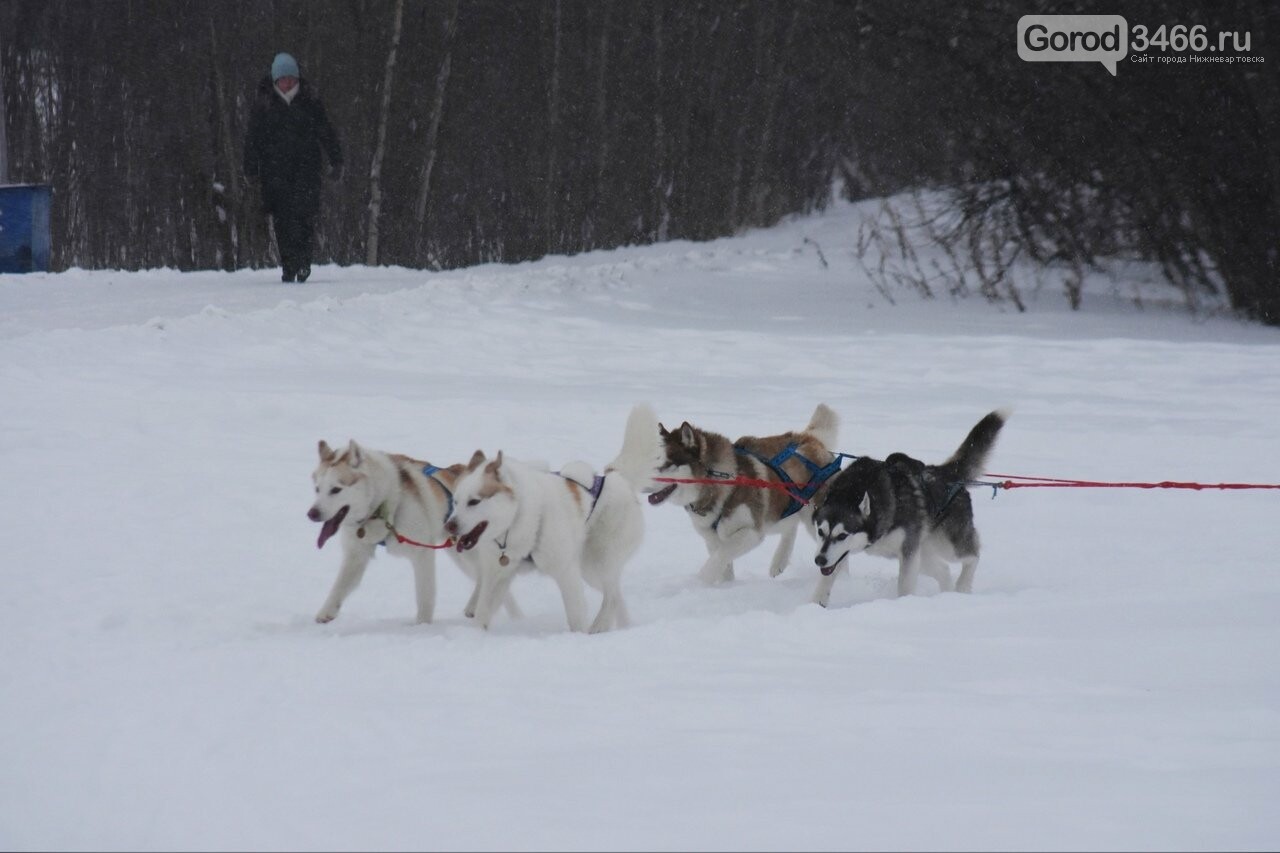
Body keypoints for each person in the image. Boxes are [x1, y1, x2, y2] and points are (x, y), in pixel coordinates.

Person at [242, 52, 343, 283]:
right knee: (282, 222)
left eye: (291, 78)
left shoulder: (310, 102)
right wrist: (250, 169)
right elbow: (253, 139)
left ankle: (304, 262)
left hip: (306, 171)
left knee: (305, 218)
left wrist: (336, 159)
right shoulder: (264, 104)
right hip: (275, 173)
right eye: (283, 78)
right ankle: (288, 266)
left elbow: (326, 131)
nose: (288, 83)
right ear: (276, 80)